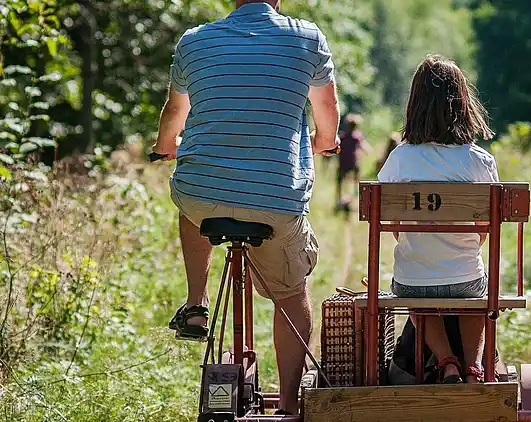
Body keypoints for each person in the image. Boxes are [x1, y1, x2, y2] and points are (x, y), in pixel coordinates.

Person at [151, 0, 340, 414]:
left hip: (202, 193)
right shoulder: (306, 37)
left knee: (189, 203)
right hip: (274, 198)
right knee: (290, 294)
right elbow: (326, 111)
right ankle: (289, 405)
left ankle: (197, 303)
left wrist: (165, 147)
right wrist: (326, 141)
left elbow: (174, 111)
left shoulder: (195, 40)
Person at [377, 54, 497, 384]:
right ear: (462, 103)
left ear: (415, 104)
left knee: (418, 288)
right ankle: (474, 368)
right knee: (476, 294)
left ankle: (447, 363)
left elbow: (390, 224)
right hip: (466, 278)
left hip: (412, 279)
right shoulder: (479, 161)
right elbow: (485, 232)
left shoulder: (400, 158)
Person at [336, 113, 372, 207]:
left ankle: (339, 199)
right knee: (356, 182)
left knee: (340, 182)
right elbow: (365, 147)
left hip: (343, 163)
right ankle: (354, 198)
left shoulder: (342, 137)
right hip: (353, 163)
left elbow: (337, 149)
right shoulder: (357, 137)